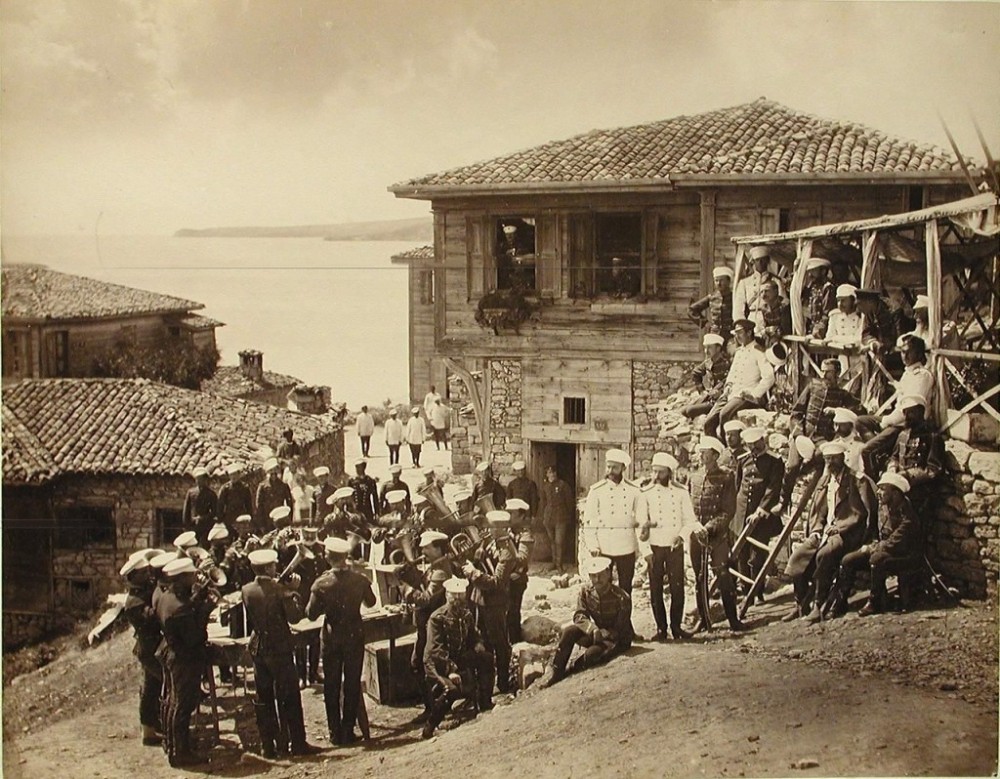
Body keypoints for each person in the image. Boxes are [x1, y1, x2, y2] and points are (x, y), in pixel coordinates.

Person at [241, 549, 319, 758]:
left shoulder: (247, 589)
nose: (277, 567)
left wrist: (280, 587)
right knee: (289, 696)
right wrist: (292, 592)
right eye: (274, 565)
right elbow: (295, 618)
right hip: (279, 648)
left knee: (264, 697)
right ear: (268, 568)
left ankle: (268, 746)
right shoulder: (280, 590)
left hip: (258, 647)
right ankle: (297, 744)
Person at [784, 441, 867, 623]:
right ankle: (800, 604)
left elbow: (859, 514)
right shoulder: (825, 481)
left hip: (845, 533)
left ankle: (818, 604)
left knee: (825, 555)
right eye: (827, 459)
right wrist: (816, 530)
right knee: (797, 556)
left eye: (834, 459)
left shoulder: (854, 480)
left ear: (842, 458)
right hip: (824, 532)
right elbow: (818, 511)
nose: (830, 463)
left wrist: (839, 527)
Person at [306, 536, 377, 746]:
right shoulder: (360, 579)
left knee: (332, 684)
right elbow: (371, 603)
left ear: (328, 557)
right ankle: (348, 731)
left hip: (331, 638)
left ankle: (334, 733)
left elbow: (311, 614)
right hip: (354, 636)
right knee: (352, 683)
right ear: (346, 557)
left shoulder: (321, 583)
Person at [835, 472, 924, 616]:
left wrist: (872, 548)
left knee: (876, 559)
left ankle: (874, 602)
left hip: (904, 555)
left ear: (895, 493)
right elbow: (877, 532)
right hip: (885, 551)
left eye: (883, 489)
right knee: (848, 560)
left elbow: (896, 542)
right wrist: (872, 544)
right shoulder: (883, 507)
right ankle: (840, 601)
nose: (878, 492)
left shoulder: (907, 515)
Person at [155, 555, 215, 767]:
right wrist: (205, 610)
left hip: (172, 653)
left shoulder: (167, 596)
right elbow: (194, 637)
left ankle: (172, 746)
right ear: (181, 578)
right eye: (191, 575)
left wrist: (197, 600)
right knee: (182, 705)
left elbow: (185, 609)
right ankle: (180, 753)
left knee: (172, 701)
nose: (195, 577)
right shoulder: (179, 608)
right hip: (184, 659)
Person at [538, 556, 633, 687]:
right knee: (569, 631)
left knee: (591, 655)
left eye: (600, 575)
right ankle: (557, 673)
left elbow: (620, 628)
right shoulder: (586, 592)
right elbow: (579, 616)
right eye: (593, 576)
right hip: (597, 632)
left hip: (617, 639)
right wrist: (592, 629)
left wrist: (605, 633)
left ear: (608, 573)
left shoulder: (622, 597)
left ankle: (574, 667)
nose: (597, 580)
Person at [422, 577, 496, 739]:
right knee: (452, 690)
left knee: (486, 658)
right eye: (453, 596)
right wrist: (451, 671)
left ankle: (485, 704)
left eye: (461, 596)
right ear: (447, 596)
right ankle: (429, 727)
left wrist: (477, 643)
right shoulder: (437, 618)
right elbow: (436, 649)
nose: (457, 600)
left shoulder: (466, 614)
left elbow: (473, 635)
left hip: (458, 657)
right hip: (437, 663)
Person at [637, 452, 699, 641]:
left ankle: (676, 627)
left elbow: (690, 520)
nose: (655, 477)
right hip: (655, 547)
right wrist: (645, 551)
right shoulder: (645, 493)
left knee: (677, 587)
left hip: (674, 546)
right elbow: (641, 525)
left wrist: (681, 537)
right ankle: (661, 629)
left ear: (669, 473)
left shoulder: (681, 493)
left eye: (660, 473)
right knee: (655, 589)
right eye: (654, 472)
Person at [688, 437, 744, 631]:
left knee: (723, 576)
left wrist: (710, 527)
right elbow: (689, 508)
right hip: (696, 536)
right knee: (699, 578)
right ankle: (704, 620)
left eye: (705, 453)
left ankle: (733, 620)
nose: (701, 456)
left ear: (715, 455)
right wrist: (695, 526)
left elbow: (728, 511)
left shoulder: (727, 477)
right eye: (700, 452)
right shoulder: (693, 477)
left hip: (717, 537)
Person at [859, 334, 935, 474]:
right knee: (860, 421)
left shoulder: (922, 375)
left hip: (905, 423)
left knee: (866, 450)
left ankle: (874, 478)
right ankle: (884, 451)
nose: (903, 356)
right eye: (902, 352)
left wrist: (887, 421)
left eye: (907, 352)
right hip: (895, 418)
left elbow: (910, 409)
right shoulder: (908, 373)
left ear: (918, 354)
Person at [462, 510, 516, 694]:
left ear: (501, 528)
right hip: (481, 601)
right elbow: (480, 561)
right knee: (483, 642)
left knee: (499, 643)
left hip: (495, 604)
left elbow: (496, 583)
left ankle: (502, 683)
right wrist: (473, 557)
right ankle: (485, 685)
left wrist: (473, 573)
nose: (488, 530)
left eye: (492, 527)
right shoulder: (491, 543)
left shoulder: (508, 552)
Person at [731, 427, 784, 598]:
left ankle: (758, 590)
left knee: (756, 556)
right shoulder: (743, 460)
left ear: (763, 440)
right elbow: (738, 485)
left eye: (756, 444)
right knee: (741, 553)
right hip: (742, 512)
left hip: (761, 516)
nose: (754, 448)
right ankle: (746, 591)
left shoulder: (774, 461)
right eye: (750, 445)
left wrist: (760, 510)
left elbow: (773, 489)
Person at [703, 319, 775, 439]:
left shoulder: (758, 352)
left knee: (724, 415)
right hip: (731, 393)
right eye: (736, 333)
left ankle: (729, 448)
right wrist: (727, 387)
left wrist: (754, 394)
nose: (737, 336)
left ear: (749, 333)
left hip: (745, 395)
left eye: (740, 333)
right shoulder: (739, 352)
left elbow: (769, 377)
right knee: (708, 422)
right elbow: (732, 373)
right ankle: (716, 448)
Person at [582, 448, 640, 596]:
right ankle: (606, 619)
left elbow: (640, 521)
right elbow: (589, 521)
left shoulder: (634, 490)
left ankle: (625, 619)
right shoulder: (597, 490)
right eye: (608, 466)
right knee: (603, 587)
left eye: (614, 467)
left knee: (626, 588)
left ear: (623, 468)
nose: (610, 470)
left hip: (626, 547)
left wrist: (642, 548)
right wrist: (592, 545)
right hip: (604, 547)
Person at [121, 551, 163, 746]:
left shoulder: (142, 593)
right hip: (148, 649)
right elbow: (153, 619)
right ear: (135, 576)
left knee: (153, 687)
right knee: (153, 688)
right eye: (144, 572)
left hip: (152, 647)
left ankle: (153, 727)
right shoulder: (133, 603)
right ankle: (149, 730)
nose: (149, 574)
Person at [883, 395, 945, 516]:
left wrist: (907, 475)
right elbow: (894, 457)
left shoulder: (932, 437)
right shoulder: (902, 435)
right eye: (905, 412)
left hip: (920, 491)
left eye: (911, 412)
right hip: (899, 488)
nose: (907, 417)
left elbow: (933, 470)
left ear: (921, 413)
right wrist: (892, 468)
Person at [682, 333, 732, 419]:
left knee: (690, 411)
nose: (706, 351)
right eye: (705, 347)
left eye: (709, 347)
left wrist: (721, 391)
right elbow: (695, 373)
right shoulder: (708, 362)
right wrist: (702, 391)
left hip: (721, 399)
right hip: (710, 396)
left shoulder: (727, 363)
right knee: (683, 411)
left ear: (718, 348)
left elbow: (731, 381)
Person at [732, 245, 784, 327]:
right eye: (757, 260)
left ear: (768, 261)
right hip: (752, 320)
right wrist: (742, 325)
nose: (760, 263)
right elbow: (738, 307)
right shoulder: (745, 282)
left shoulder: (776, 281)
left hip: (772, 320)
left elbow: (784, 302)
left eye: (763, 260)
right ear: (753, 262)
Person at [539, 465, 575, 572]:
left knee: (559, 541)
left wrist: (567, 515)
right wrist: (544, 516)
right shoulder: (545, 487)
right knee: (552, 541)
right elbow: (543, 502)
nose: (552, 475)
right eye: (549, 473)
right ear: (547, 474)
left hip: (561, 517)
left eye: (554, 472)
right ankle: (554, 563)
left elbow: (569, 502)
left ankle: (559, 564)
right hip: (549, 517)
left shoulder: (563, 485)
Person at [688, 266, 735, 341]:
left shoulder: (735, 297)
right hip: (715, 334)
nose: (719, 283)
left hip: (731, 335)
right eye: (716, 280)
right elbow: (691, 310)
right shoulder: (712, 297)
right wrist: (705, 323)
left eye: (722, 280)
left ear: (728, 281)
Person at [255, 458, 293, 537]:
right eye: (271, 472)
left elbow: (290, 503)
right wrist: (261, 524)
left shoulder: (283, 485)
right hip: (267, 520)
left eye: (275, 471)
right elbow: (259, 506)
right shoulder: (262, 486)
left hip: (281, 518)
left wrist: (289, 519)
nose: (273, 474)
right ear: (267, 473)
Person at [182, 467, 218, 547]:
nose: (199, 481)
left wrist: (203, 518)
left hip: (206, 526)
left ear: (206, 480)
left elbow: (215, 512)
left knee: (205, 546)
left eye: (201, 479)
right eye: (197, 479)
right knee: (192, 546)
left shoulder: (211, 494)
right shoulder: (191, 492)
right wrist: (186, 526)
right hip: (193, 525)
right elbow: (186, 510)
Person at [802, 256, 836, 337]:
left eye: (813, 271)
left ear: (823, 271)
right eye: (809, 271)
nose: (810, 275)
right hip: (812, 330)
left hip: (823, 331)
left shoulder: (828, 287)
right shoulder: (813, 287)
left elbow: (827, 313)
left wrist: (819, 329)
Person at [217, 463, 253, 538]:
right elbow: (220, 504)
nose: (233, 477)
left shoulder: (245, 487)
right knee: (230, 537)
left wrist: (250, 516)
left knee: (242, 537)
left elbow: (249, 504)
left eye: (235, 474)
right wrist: (221, 519)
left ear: (239, 475)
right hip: (229, 518)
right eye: (231, 475)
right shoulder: (225, 488)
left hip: (241, 517)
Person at [758, 279, 792, 347]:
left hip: (788, 342)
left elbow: (786, 329)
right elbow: (765, 326)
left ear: (776, 291)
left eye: (767, 291)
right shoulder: (764, 308)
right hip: (772, 342)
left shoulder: (784, 306)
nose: (763, 295)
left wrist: (773, 331)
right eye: (761, 292)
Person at [505, 461, 539, 526]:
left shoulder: (531, 484)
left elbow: (534, 500)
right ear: (515, 472)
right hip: (515, 514)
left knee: (526, 533)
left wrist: (534, 515)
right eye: (518, 471)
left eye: (522, 470)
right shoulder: (512, 484)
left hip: (527, 514)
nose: (520, 472)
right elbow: (509, 500)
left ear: (524, 471)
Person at [348, 458, 379, 524]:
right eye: (356, 467)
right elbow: (348, 496)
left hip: (367, 509)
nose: (357, 469)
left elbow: (375, 498)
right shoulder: (352, 480)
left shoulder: (370, 481)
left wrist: (377, 512)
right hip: (355, 509)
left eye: (359, 467)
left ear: (364, 467)